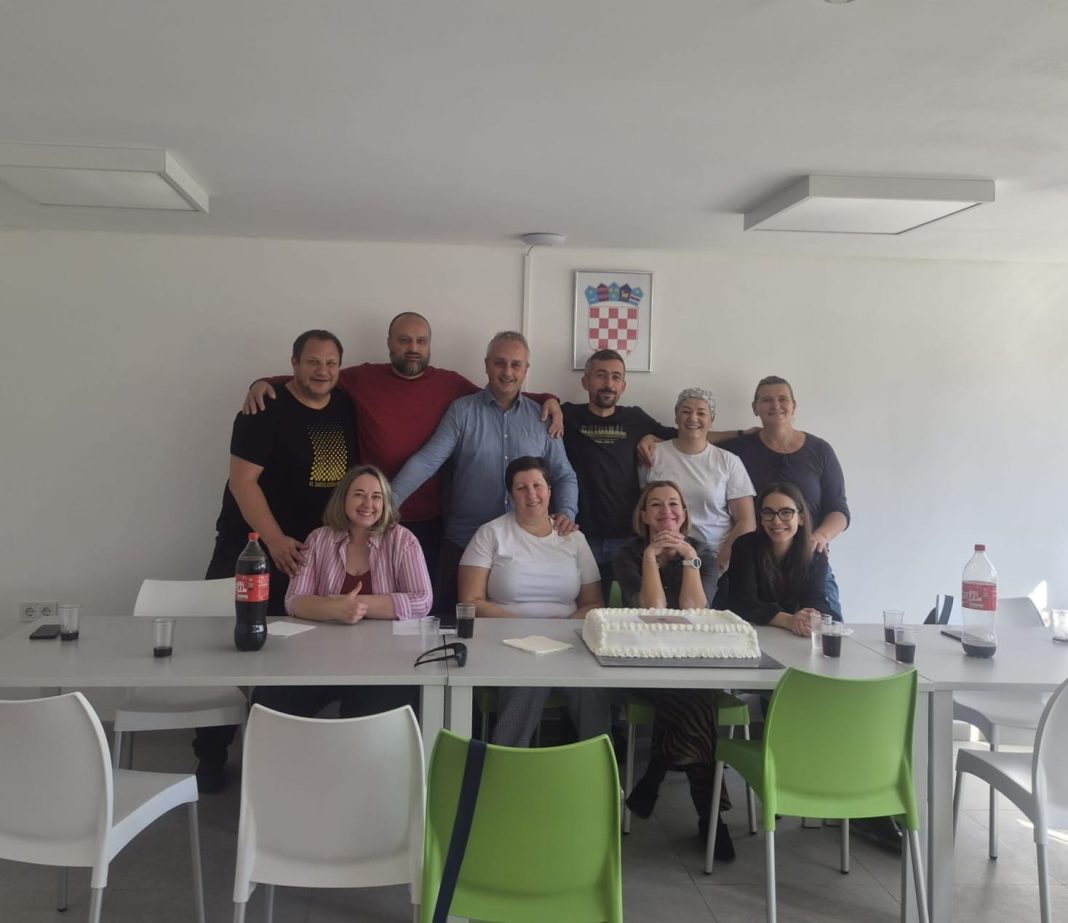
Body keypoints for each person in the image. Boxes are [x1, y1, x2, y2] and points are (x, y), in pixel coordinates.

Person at [241, 312, 562, 590]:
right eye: (404, 340)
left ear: (429, 346)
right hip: (369, 517)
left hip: (428, 519)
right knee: (369, 595)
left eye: (421, 341)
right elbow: (318, 378)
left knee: (423, 606)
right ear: (389, 343)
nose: (413, 348)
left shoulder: (449, 384)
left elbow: (501, 392)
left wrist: (549, 399)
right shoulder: (363, 378)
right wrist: (264, 382)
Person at [199, 329, 357, 792]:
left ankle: (278, 755)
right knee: (226, 656)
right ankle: (210, 755)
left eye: (331, 363)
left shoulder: (344, 407)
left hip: (308, 556)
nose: (322, 371)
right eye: (312, 362)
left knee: (292, 656)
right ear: (293, 364)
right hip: (249, 548)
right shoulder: (263, 410)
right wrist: (274, 540)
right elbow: (242, 482)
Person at [392, 332, 579, 615]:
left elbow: (564, 475)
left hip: (525, 549)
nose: (507, 372)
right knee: (455, 628)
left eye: (516, 365)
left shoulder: (542, 418)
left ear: (526, 369)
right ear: (487, 365)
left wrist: (566, 511)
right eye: (500, 363)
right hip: (465, 542)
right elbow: (428, 460)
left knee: (516, 629)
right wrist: (389, 502)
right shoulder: (462, 411)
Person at [248, 464, 431, 719]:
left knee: (368, 714)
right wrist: (333, 608)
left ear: (385, 503)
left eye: (376, 496)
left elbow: (422, 600)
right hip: (320, 660)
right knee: (268, 699)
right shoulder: (318, 539)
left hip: (384, 662)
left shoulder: (403, 540)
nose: (368, 504)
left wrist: (357, 605)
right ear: (343, 498)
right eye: (359, 494)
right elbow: (294, 600)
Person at [612, 481, 734, 859]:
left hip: (693, 663)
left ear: (684, 513)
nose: (667, 511)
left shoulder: (702, 553)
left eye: (674, 504)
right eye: (656, 505)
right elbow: (651, 611)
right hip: (640, 664)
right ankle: (710, 817)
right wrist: (650, 557)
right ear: (644, 516)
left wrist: (689, 559)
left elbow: (696, 610)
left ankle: (657, 775)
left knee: (690, 693)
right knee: (695, 697)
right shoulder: (628, 554)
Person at [457, 456, 609, 746]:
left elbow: (594, 603)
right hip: (508, 642)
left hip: (568, 642)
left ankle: (599, 767)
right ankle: (507, 764)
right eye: (521, 487)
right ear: (510, 495)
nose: (532, 494)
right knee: (527, 682)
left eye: (538, 485)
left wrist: (559, 630)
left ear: (550, 491)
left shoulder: (574, 538)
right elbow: (470, 601)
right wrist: (526, 627)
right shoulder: (491, 534)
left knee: (592, 687)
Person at [720, 375, 849, 618]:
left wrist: (819, 537)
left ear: (794, 405)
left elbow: (839, 509)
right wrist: (653, 437)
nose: (775, 405)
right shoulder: (737, 450)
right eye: (766, 400)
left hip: (807, 563)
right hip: (754, 564)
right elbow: (695, 437)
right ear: (755, 407)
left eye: (782, 399)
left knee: (825, 628)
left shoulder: (820, 450)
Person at [561, 349, 676, 600]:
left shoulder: (635, 418)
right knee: (586, 609)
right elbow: (530, 406)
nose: (608, 383)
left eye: (616, 377)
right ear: (585, 381)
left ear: (623, 385)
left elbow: (685, 437)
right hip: (580, 535)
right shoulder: (568, 415)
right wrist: (548, 400)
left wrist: (742, 435)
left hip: (628, 538)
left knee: (634, 611)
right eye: (600, 375)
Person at [641, 388, 756, 574]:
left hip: (713, 560)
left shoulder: (729, 461)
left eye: (701, 413)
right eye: (686, 411)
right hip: (663, 560)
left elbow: (746, 521)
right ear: (676, 417)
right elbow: (642, 507)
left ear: (711, 420)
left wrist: (721, 563)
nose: (693, 418)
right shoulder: (653, 455)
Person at [726, 481, 829, 634]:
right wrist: (788, 620)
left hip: (793, 634)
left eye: (786, 512)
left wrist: (810, 617)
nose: (776, 521)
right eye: (768, 513)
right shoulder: (744, 546)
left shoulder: (815, 553)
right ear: (761, 518)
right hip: (749, 632)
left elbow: (817, 598)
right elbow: (743, 602)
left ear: (801, 518)